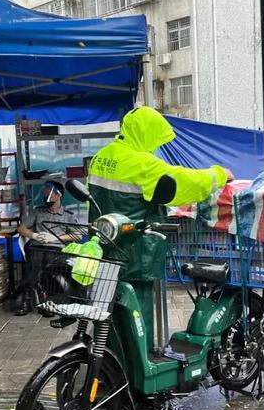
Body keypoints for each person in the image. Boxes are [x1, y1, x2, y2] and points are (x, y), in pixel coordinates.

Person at [87, 106, 234, 349]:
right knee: (137, 315)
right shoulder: (142, 164)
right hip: (135, 253)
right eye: (156, 139)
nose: (156, 147)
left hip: (102, 249)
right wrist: (219, 174)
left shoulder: (100, 157)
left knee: (106, 311)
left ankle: (108, 366)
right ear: (146, 133)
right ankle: (137, 377)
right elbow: (185, 181)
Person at [14, 180, 80, 315]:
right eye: (44, 194)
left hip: (57, 248)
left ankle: (50, 301)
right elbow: (21, 228)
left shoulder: (68, 215)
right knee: (34, 263)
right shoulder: (38, 212)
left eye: (49, 194)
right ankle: (27, 300)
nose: (46, 198)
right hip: (38, 247)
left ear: (58, 195)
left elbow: (77, 235)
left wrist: (55, 238)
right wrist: (35, 235)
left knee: (51, 264)